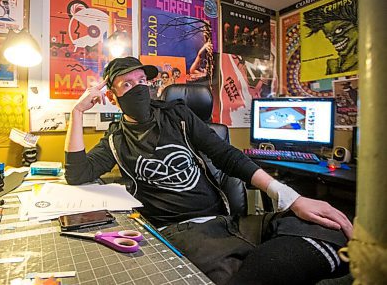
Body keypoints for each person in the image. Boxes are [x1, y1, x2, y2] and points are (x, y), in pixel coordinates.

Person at [64, 56, 352, 285]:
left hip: (228, 222)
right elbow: (77, 174)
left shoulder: (178, 116)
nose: (140, 87)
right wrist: (77, 113)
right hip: (180, 234)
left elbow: (226, 155)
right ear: (112, 96)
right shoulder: (115, 140)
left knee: (332, 228)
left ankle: (256, 268)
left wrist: (291, 198)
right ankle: (265, 265)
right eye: (127, 84)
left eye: (142, 80)